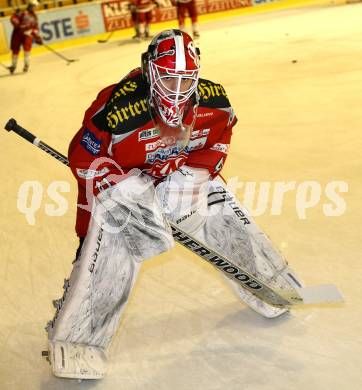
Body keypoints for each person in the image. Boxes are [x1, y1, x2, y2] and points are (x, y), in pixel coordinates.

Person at [45, 29, 303, 379]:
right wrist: (120, 186)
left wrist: (197, 173)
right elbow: (82, 158)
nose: (179, 91)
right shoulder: (119, 108)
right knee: (114, 242)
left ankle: (270, 279)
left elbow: (220, 136)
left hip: (176, 177)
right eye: (169, 79)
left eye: (186, 81)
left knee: (215, 203)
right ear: (151, 72)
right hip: (126, 186)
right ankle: (78, 338)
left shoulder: (213, 101)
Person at [9, 0, 42, 74]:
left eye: (36, 7)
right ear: (30, 6)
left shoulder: (34, 17)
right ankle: (13, 65)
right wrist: (17, 23)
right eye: (34, 6)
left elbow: (36, 28)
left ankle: (26, 65)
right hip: (17, 34)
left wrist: (37, 37)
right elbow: (13, 18)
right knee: (15, 49)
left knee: (27, 50)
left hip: (27, 35)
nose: (35, 8)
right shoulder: (21, 12)